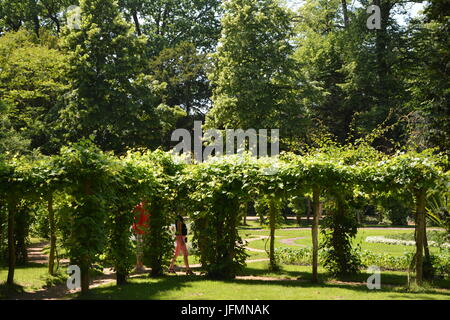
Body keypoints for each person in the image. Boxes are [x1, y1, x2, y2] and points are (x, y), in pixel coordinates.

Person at [132, 200, 150, 272]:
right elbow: (135, 220)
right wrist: (136, 228)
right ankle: (139, 265)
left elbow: (148, 220)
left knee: (141, 248)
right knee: (139, 249)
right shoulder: (137, 208)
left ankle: (140, 264)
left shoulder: (147, 209)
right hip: (139, 230)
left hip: (145, 230)